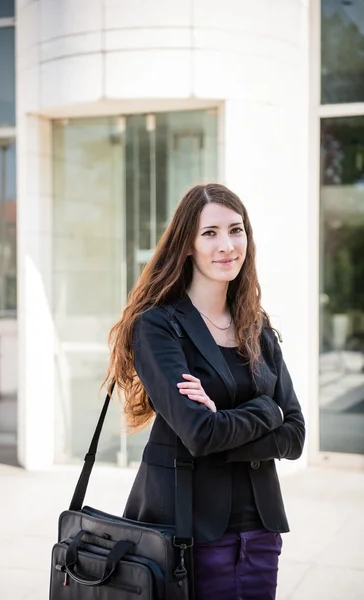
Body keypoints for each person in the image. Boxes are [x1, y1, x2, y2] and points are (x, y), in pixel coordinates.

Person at [105, 183, 305, 600]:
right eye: (210, 233)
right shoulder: (159, 327)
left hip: (261, 531)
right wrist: (267, 411)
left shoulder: (257, 326)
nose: (227, 245)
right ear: (187, 245)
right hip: (188, 532)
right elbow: (199, 433)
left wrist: (224, 425)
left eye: (236, 230)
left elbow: (296, 435)